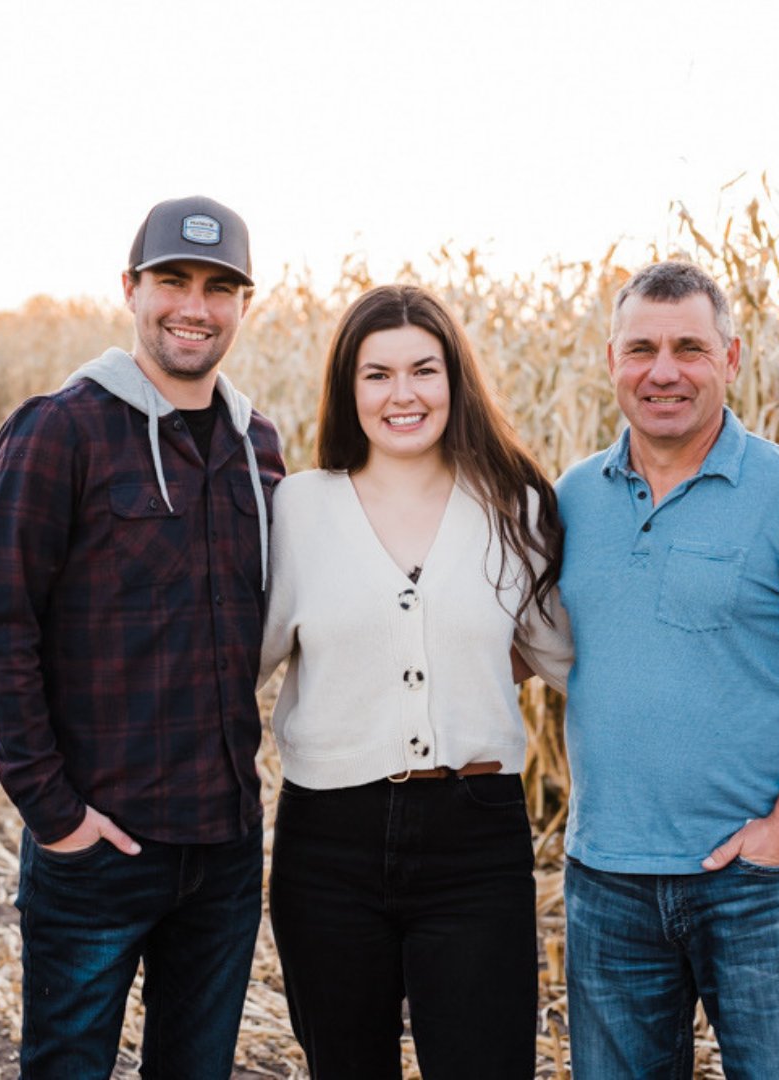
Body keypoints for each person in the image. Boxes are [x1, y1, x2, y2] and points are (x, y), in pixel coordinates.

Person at [0, 196, 284, 1078]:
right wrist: (57, 817)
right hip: (97, 850)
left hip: (222, 854)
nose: (196, 305)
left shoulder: (259, 447)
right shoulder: (58, 430)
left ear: (244, 305)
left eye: (220, 287)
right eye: (172, 280)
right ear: (130, 289)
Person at [555, 261, 779, 1078]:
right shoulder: (571, 500)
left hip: (753, 887)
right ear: (610, 360)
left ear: (731, 359)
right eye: (641, 349)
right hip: (607, 882)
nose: (662, 371)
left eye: (689, 349)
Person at [259, 283, 567, 1079]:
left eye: (424, 370)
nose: (404, 395)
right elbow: (242, 661)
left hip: (475, 836)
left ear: (455, 380)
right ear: (346, 388)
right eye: (377, 374)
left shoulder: (515, 508)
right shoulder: (299, 509)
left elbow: (560, 654)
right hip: (327, 842)